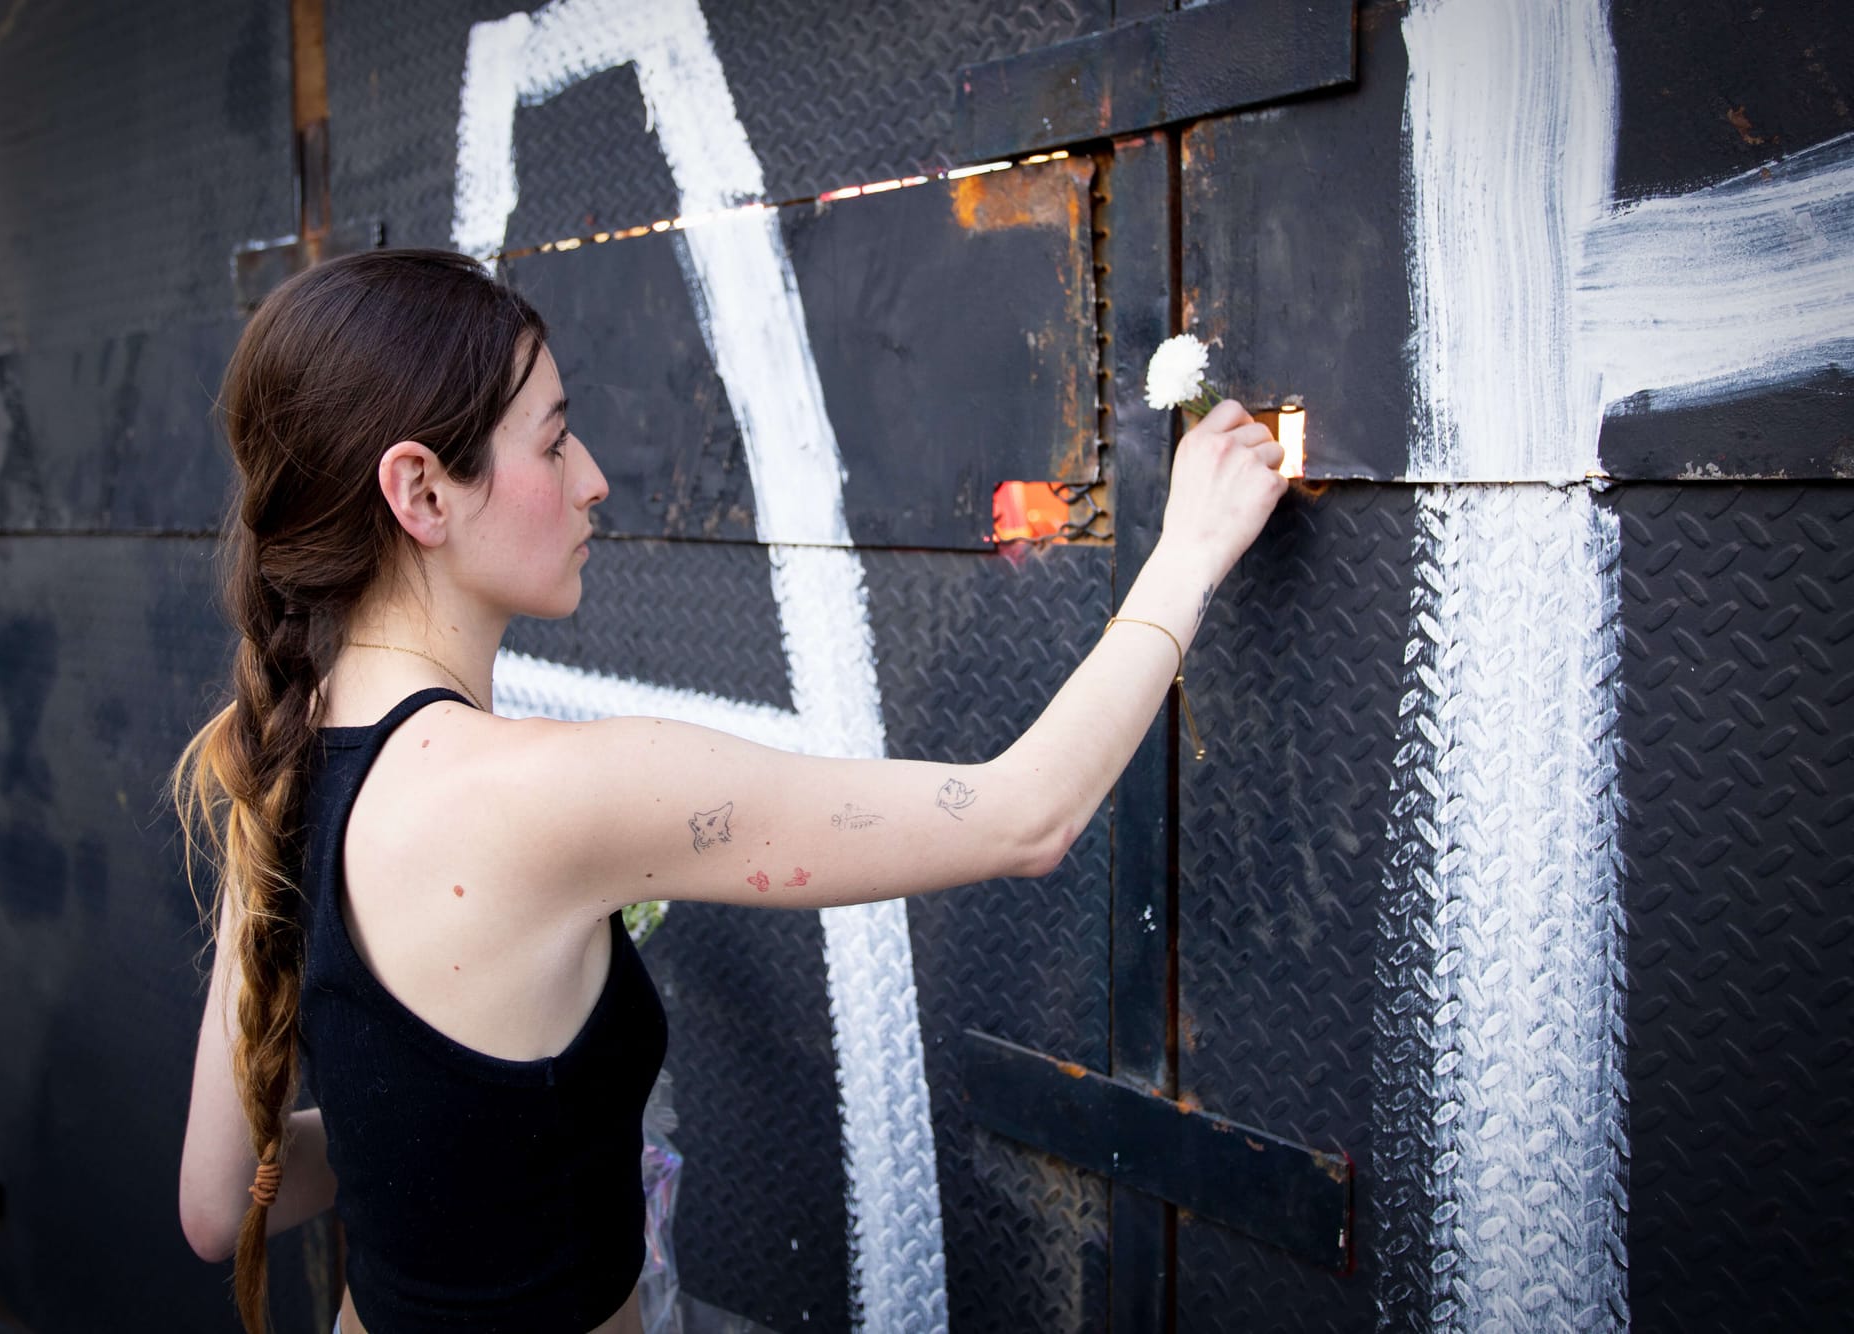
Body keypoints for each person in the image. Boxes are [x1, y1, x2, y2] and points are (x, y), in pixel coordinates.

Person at [173, 248, 1286, 1334]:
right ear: (420, 489)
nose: (593, 477)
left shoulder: (270, 761)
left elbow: (218, 1207)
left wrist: (421, 1151)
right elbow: (1022, 813)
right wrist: (1184, 551)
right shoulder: (550, 792)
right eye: (554, 442)